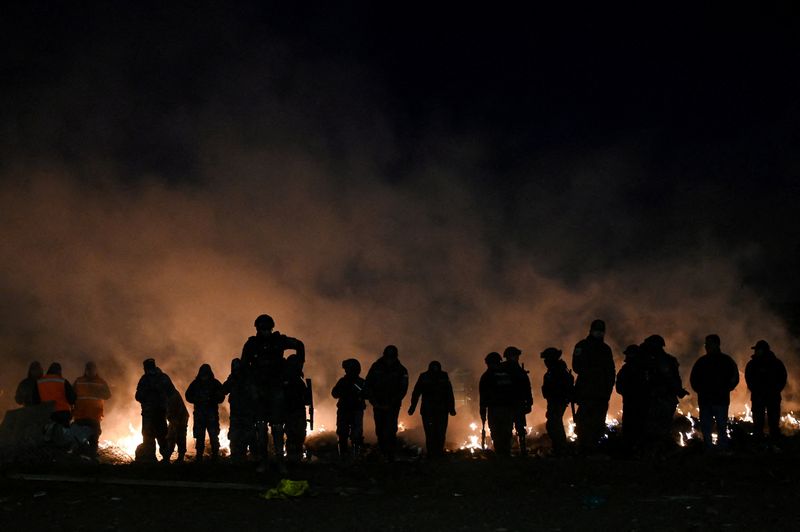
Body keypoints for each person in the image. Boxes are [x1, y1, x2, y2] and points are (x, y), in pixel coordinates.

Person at [240, 314, 305, 471]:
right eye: (262, 328)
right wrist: (251, 384)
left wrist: (297, 367)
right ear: (257, 328)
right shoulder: (251, 344)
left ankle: (280, 461)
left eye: (268, 328)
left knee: (277, 427)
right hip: (260, 390)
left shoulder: (279, 340)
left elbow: (300, 345)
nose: (265, 331)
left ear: (272, 327)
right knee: (261, 427)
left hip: (276, 388)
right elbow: (244, 365)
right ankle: (264, 461)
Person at [571, 319, 616, 453]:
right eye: (597, 330)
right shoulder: (582, 346)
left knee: (598, 421)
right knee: (583, 420)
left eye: (601, 331)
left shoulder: (605, 349)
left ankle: (593, 447)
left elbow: (611, 370)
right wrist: (592, 371)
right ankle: (583, 446)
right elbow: (576, 366)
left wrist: (608, 388)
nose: (599, 333)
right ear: (591, 330)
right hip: (585, 391)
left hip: (601, 393)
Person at [689, 334, 739, 451]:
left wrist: (726, 388)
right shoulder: (701, 362)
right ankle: (709, 448)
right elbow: (694, 379)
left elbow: (735, 378)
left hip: (720, 400)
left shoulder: (726, 361)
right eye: (706, 344)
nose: (706, 346)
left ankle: (722, 448)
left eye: (709, 344)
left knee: (721, 426)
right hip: (706, 400)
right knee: (706, 426)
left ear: (717, 344)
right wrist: (700, 391)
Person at [641, 335, 688, 451]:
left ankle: (658, 451)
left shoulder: (660, 361)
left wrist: (678, 390)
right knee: (659, 427)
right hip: (661, 399)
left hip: (661, 399)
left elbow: (671, 379)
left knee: (657, 428)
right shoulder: (656, 360)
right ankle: (658, 451)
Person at [365, 345, 408, 461]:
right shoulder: (376, 367)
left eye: (391, 356)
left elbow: (403, 389)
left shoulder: (401, 370)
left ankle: (390, 454)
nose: (389, 358)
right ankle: (382, 451)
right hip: (378, 404)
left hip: (392, 406)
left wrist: (393, 402)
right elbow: (368, 384)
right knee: (379, 429)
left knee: (391, 429)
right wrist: (373, 401)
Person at [408, 361, 456, 458]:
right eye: (433, 367)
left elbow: (449, 393)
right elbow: (416, 392)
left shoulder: (444, 376)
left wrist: (451, 408)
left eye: (436, 367)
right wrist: (412, 407)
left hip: (441, 410)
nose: (435, 368)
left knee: (440, 433)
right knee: (430, 433)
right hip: (428, 410)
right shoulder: (424, 376)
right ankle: (431, 453)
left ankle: (438, 453)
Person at [745, 340, 788, 442]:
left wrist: (776, 390)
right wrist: (755, 390)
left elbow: (783, 378)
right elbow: (749, 379)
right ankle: (760, 442)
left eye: (757, 350)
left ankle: (774, 442)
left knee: (773, 422)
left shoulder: (776, 363)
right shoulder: (752, 364)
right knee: (759, 423)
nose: (755, 352)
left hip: (771, 397)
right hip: (759, 397)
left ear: (763, 350)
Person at [135, 358, 175, 462]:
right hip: (153, 413)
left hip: (157, 413)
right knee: (153, 437)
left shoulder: (158, 378)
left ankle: (161, 459)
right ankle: (156, 459)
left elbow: (171, 393)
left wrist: (158, 398)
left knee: (157, 437)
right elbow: (138, 396)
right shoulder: (149, 379)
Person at [185, 364, 224, 462]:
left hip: (211, 415)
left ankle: (215, 456)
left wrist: (212, 399)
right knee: (200, 437)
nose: (204, 376)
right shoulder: (196, 383)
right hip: (200, 416)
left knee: (213, 436)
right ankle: (199, 457)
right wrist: (197, 400)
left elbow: (221, 397)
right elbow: (188, 395)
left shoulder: (214, 383)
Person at [615, 344, 649, 453]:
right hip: (632, 402)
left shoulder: (644, 369)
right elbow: (619, 386)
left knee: (636, 426)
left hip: (639, 402)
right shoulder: (628, 369)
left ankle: (635, 449)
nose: (628, 356)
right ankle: (631, 450)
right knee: (631, 426)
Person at [72, 361, 112, 455]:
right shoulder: (79, 381)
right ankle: (83, 459)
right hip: (81, 416)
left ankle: (91, 460)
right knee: (80, 441)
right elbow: (71, 396)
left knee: (93, 440)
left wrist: (96, 392)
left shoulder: (100, 382)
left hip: (93, 416)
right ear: (85, 370)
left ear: (95, 370)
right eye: (88, 369)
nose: (90, 372)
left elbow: (107, 395)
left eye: (92, 369)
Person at [222, 357, 257, 462]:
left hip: (247, 414)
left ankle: (252, 457)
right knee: (235, 437)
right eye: (235, 367)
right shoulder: (232, 379)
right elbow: (224, 390)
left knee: (249, 436)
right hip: (236, 415)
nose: (236, 370)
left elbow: (254, 396)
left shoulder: (248, 379)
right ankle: (237, 457)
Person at [540, 347, 574, 455]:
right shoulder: (553, 371)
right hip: (553, 401)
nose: (545, 362)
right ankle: (559, 447)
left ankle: (560, 448)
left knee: (554, 424)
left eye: (546, 359)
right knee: (553, 424)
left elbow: (563, 387)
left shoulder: (558, 371)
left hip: (558, 401)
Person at [332, 358, 366, 460]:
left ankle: (355, 456)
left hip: (355, 410)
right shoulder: (343, 382)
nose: (347, 372)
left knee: (356, 434)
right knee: (343, 433)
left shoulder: (360, 382)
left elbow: (367, 394)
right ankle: (344, 455)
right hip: (345, 410)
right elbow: (334, 393)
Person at [503, 346, 533, 456]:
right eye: (516, 356)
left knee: (513, 428)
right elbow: (527, 388)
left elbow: (527, 388)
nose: (517, 358)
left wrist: (529, 402)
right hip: (513, 403)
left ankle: (511, 450)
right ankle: (519, 449)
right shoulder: (517, 370)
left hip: (511, 403)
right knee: (516, 427)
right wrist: (529, 403)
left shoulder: (504, 369)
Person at [281, 353, 310, 464]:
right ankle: (293, 458)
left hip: (295, 412)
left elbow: (306, 399)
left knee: (296, 436)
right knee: (294, 436)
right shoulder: (293, 380)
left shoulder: (297, 380)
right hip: (292, 412)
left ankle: (294, 457)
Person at [479, 352, 507, 453]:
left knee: (496, 432)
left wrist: (483, 412)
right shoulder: (506, 374)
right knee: (505, 432)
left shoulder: (486, 376)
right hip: (506, 409)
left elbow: (483, 397)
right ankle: (505, 454)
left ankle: (500, 454)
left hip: (494, 410)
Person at [37, 362, 77, 428]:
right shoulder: (63, 381)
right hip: (62, 415)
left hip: (46, 414)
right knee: (62, 436)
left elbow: (35, 399)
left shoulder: (39, 382)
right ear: (59, 371)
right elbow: (72, 399)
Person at [165, 388, 189, 463]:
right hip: (175, 416)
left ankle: (179, 458)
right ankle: (169, 457)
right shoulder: (167, 392)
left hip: (180, 417)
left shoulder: (171, 394)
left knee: (177, 436)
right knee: (173, 436)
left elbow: (169, 409)